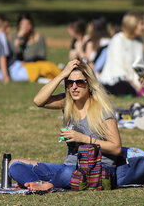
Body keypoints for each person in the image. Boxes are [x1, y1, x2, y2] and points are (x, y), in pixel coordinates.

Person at [8, 60, 122, 190]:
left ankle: (49, 185)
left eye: (79, 82)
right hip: (69, 167)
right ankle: (42, 184)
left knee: (67, 174)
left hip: (97, 169)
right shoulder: (68, 103)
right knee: (14, 165)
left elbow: (116, 148)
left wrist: (83, 139)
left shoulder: (103, 110)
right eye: (70, 83)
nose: (74, 87)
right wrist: (62, 74)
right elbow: (38, 101)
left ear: (89, 84)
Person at [0, 15, 60, 83]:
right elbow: (2, 57)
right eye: (7, 27)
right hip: (12, 70)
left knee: (43, 67)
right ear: (1, 27)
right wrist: (6, 77)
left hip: (3, 72)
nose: (9, 29)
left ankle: (61, 76)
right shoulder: (1, 36)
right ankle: (64, 77)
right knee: (45, 66)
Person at [98, 12, 144, 96]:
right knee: (123, 87)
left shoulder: (139, 40)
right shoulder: (118, 40)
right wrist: (136, 86)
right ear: (132, 25)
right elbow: (118, 70)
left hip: (136, 81)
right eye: (142, 24)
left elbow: (141, 65)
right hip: (116, 80)